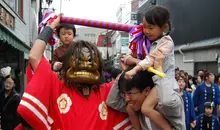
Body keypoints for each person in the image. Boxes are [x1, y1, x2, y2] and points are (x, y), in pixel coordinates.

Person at [17, 15, 131, 130]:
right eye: (78, 60)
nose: (84, 65)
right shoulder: (56, 88)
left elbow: (133, 83)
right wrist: (50, 27)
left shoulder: (107, 93)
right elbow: (34, 56)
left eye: (90, 60)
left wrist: (129, 68)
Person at [122, 5, 178, 130]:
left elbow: (150, 59)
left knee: (146, 108)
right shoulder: (148, 41)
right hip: (153, 81)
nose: (146, 31)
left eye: (151, 28)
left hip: (164, 82)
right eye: (144, 27)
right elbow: (141, 54)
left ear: (164, 27)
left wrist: (135, 69)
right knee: (130, 107)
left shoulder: (166, 43)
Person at [107, 50, 186, 130]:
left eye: (130, 93)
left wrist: (158, 69)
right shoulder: (135, 107)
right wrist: (128, 71)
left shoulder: (166, 104)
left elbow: (167, 101)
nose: (126, 99)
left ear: (147, 91)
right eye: (124, 94)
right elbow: (112, 102)